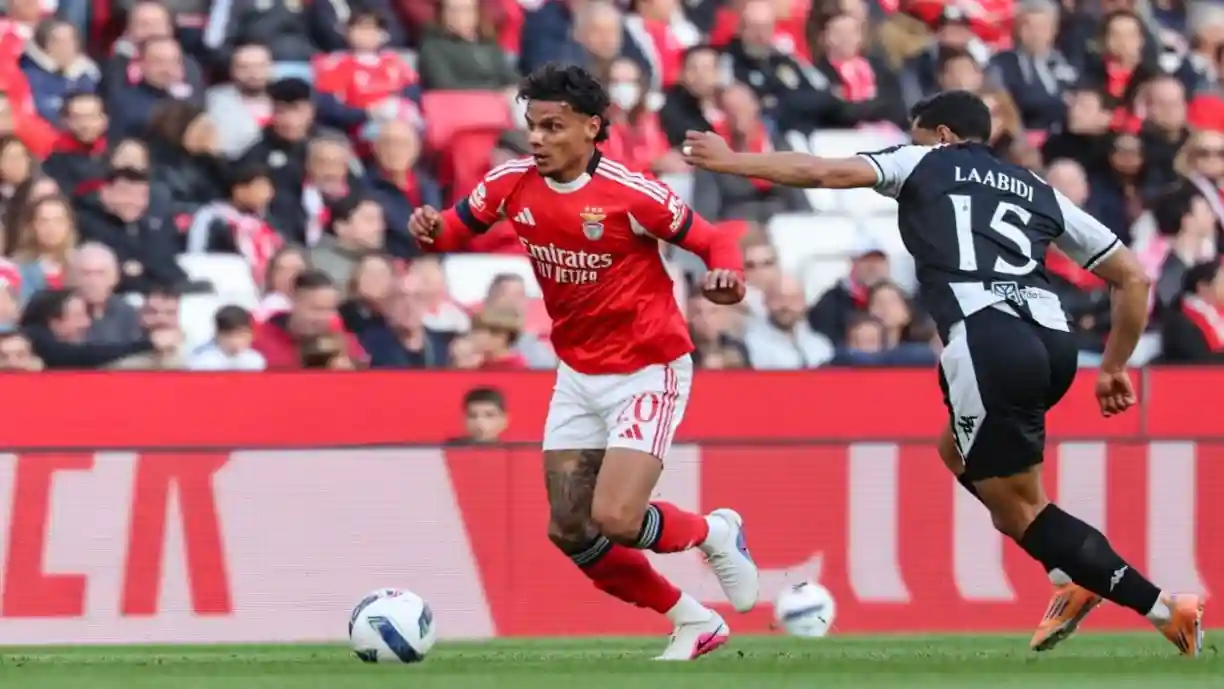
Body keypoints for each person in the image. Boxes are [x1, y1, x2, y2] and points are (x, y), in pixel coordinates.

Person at [682, 88, 1205, 657]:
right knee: (957, 452)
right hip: (1054, 343)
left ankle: (1161, 607)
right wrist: (1113, 367)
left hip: (988, 340)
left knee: (1024, 510)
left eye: (917, 134)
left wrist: (732, 161)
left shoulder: (924, 160)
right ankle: (1067, 569)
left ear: (942, 135)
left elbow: (822, 171)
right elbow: (1133, 277)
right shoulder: (1035, 187)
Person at [408, 63, 756, 661]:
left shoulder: (631, 192)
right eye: (532, 126)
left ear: (591, 127)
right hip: (578, 373)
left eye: (552, 126)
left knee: (617, 518)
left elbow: (714, 239)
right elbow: (455, 230)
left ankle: (714, 532)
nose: (536, 138)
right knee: (570, 529)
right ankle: (692, 620)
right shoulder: (511, 182)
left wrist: (728, 277)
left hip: (648, 367)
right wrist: (431, 229)